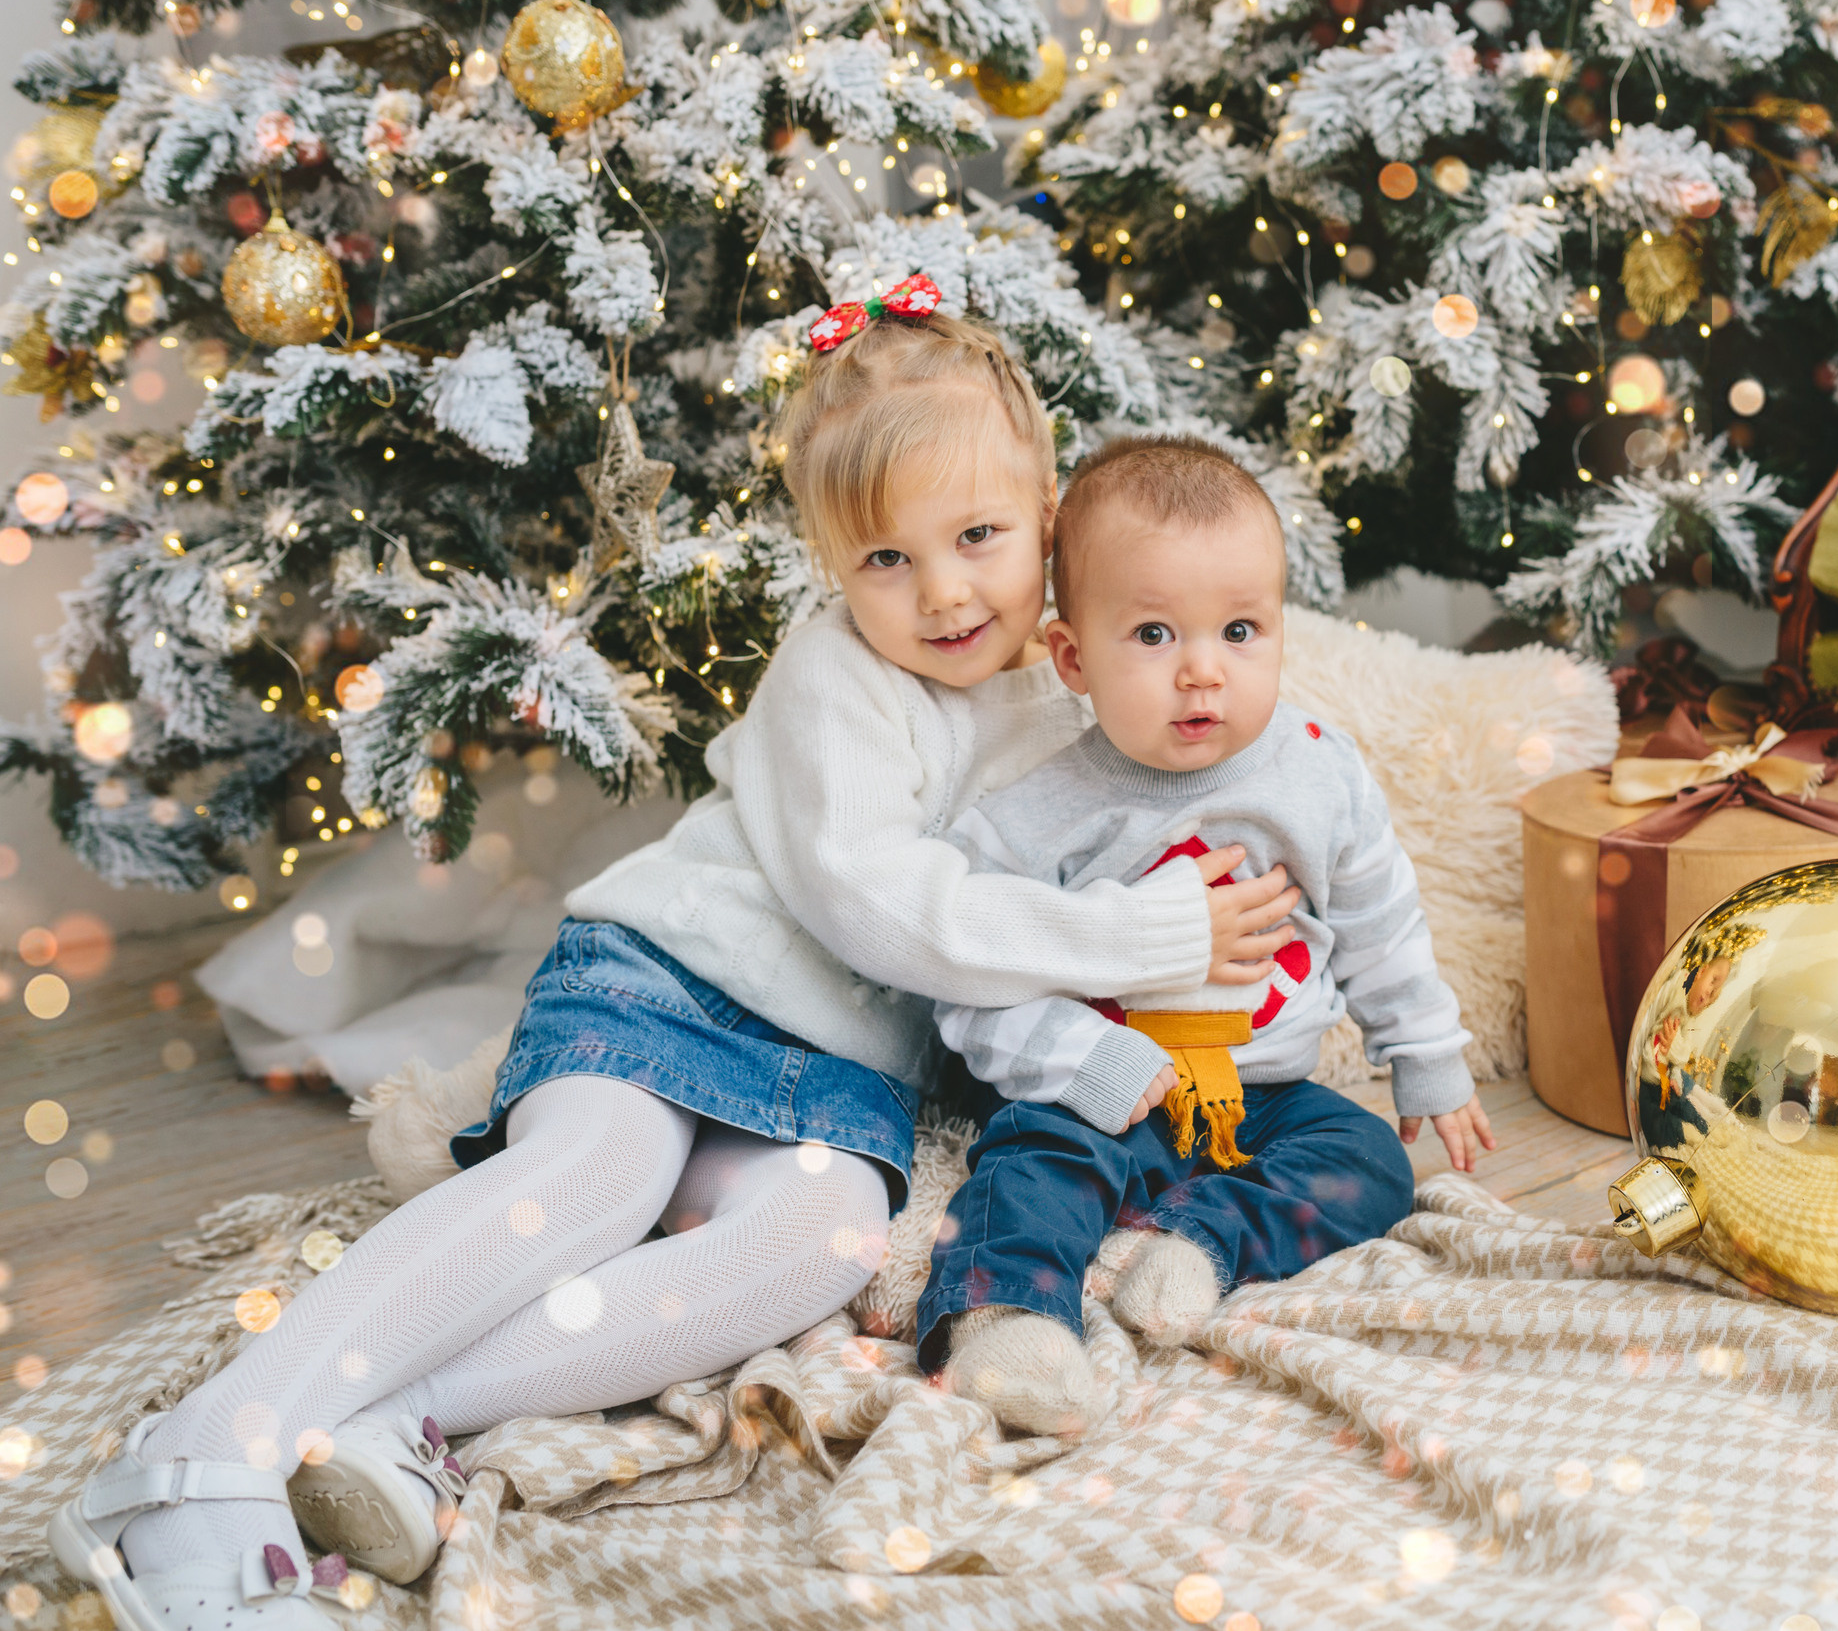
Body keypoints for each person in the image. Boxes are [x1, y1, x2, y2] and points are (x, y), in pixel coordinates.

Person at [47, 284, 1303, 1631]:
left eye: (980, 537)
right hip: (668, 983)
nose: (942, 590)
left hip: (832, 1070)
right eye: (886, 558)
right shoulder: (840, 681)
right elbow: (887, 908)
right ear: (829, 560)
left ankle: (393, 1413)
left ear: (1048, 512)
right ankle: (200, 1449)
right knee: (602, 1168)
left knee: (820, 1237)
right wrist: (1148, 935)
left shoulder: (1068, 691)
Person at [915, 434, 1496, 1436]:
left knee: (1367, 1160)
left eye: (1239, 630)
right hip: (1104, 1091)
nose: (1201, 672)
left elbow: (1379, 919)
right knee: (1032, 1161)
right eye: (1151, 634)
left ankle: (1198, 1243)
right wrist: (1083, 1058)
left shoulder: (1315, 768)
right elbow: (969, 976)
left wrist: (1426, 1054)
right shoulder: (1034, 811)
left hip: (1262, 1095)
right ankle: (1002, 1318)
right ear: (1071, 655)